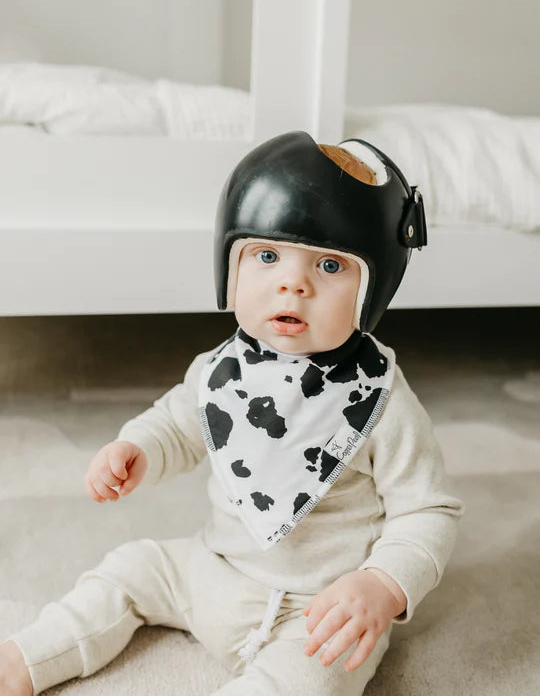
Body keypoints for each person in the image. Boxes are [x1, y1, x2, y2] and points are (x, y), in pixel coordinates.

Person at [0, 131, 463, 695]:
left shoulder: (381, 401)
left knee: (312, 681)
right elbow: (177, 423)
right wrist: (136, 448)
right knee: (130, 568)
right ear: (230, 264)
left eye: (331, 266)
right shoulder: (221, 370)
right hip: (211, 570)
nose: (293, 283)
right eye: (266, 256)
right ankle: (24, 660)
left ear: (375, 287)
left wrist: (382, 584)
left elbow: (429, 511)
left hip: (321, 613)